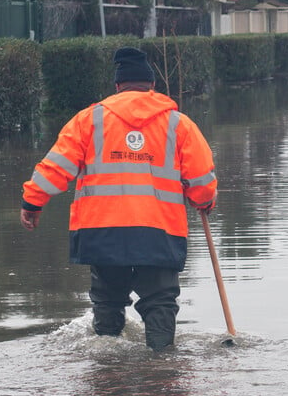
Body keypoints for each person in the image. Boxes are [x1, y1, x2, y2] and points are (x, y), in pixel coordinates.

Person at [21, 47, 217, 351]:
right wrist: (204, 202)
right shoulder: (180, 125)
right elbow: (202, 181)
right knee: (160, 300)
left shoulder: (88, 120)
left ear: (117, 86)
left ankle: (107, 369)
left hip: (102, 231)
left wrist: (32, 203)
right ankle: (162, 364)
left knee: (108, 300)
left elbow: (55, 167)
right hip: (159, 231)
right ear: (152, 86)